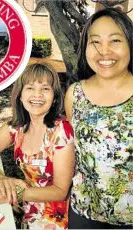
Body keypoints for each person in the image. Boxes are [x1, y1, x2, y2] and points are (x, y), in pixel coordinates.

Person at [65, 7, 133, 229]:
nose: (105, 51)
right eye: (95, 42)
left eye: (115, 41)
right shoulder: (74, 94)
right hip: (85, 213)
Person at [0, 63, 75, 229]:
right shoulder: (16, 127)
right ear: (20, 94)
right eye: (30, 88)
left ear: (54, 97)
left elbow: (60, 191)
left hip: (57, 218)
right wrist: (2, 179)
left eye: (45, 89)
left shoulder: (61, 132)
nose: (37, 95)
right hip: (29, 210)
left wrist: (13, 194)